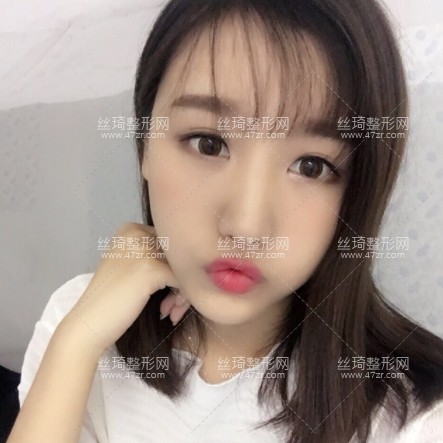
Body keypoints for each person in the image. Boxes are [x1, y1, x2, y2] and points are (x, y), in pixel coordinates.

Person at [8, 0, 443, 442]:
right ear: (145, 142)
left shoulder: (411, 418)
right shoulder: (81, 318)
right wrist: (76, 345)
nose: (246, 226)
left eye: (311, 166)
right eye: (209, 143)